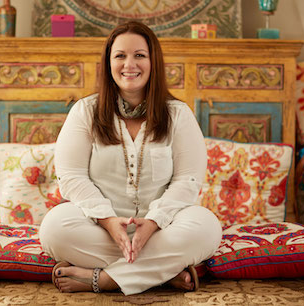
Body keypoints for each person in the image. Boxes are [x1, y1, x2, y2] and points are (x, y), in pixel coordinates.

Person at [39, 20, 222, 295]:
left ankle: (105, 280)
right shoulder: (84, 112)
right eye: (120, 56)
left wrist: (154, 222)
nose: (129, 64)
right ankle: (163, 273)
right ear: (109, 62)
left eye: (139, 55)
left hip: (162, 230)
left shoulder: (178, 114)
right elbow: (72, 177)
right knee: (54, 228)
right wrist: (109, 222)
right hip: (100, 229)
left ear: (153, 62)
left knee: (207, 227)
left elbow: (189, 179)